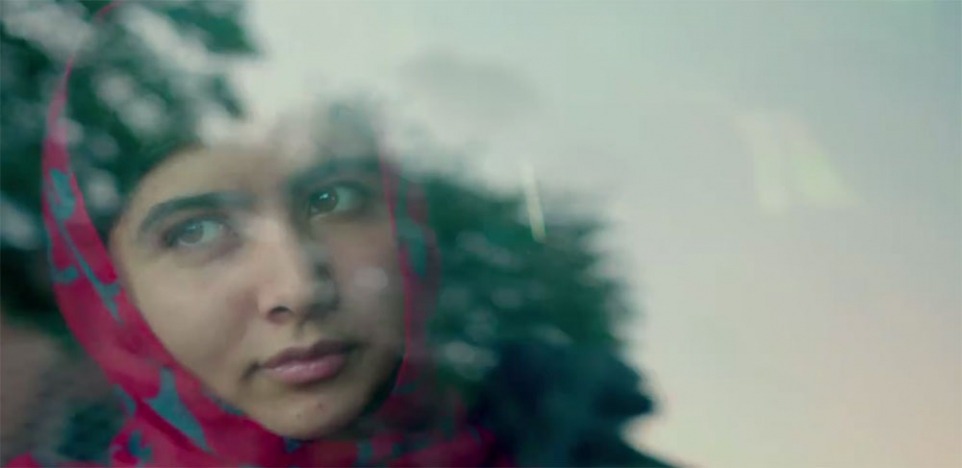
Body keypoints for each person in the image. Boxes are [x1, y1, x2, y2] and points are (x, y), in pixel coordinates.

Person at [8, 4, 673, 467]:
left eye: (334, 199)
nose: (297, 287)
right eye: (196, 232)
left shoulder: (574, 440)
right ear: (109, 293)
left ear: (413, 229)